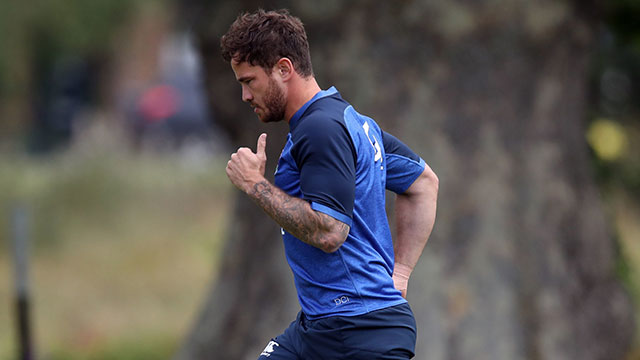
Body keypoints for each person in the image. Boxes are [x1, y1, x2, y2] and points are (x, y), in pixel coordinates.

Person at [221, 9, 438, 360]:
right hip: (319, 328)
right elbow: (424, 182)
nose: (246, 96)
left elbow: (330, 231)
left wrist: (254, 185)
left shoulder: (320, 129)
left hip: (361, 333)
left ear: (284, 69)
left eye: (249, 81)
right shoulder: (350, 121)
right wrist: (399, 274)